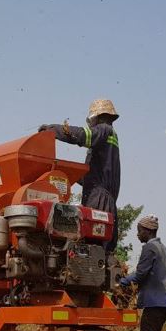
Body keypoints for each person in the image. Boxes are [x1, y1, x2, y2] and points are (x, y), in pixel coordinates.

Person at [38, 98, 121, 253]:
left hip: (99, 199)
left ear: (97, 117)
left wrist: (53, 130)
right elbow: (93, 176)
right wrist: (70, 174)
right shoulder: (109, 139)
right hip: (103, 197)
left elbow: (83, 136)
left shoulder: (104, 130)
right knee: (98, 249)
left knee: (92, 248)